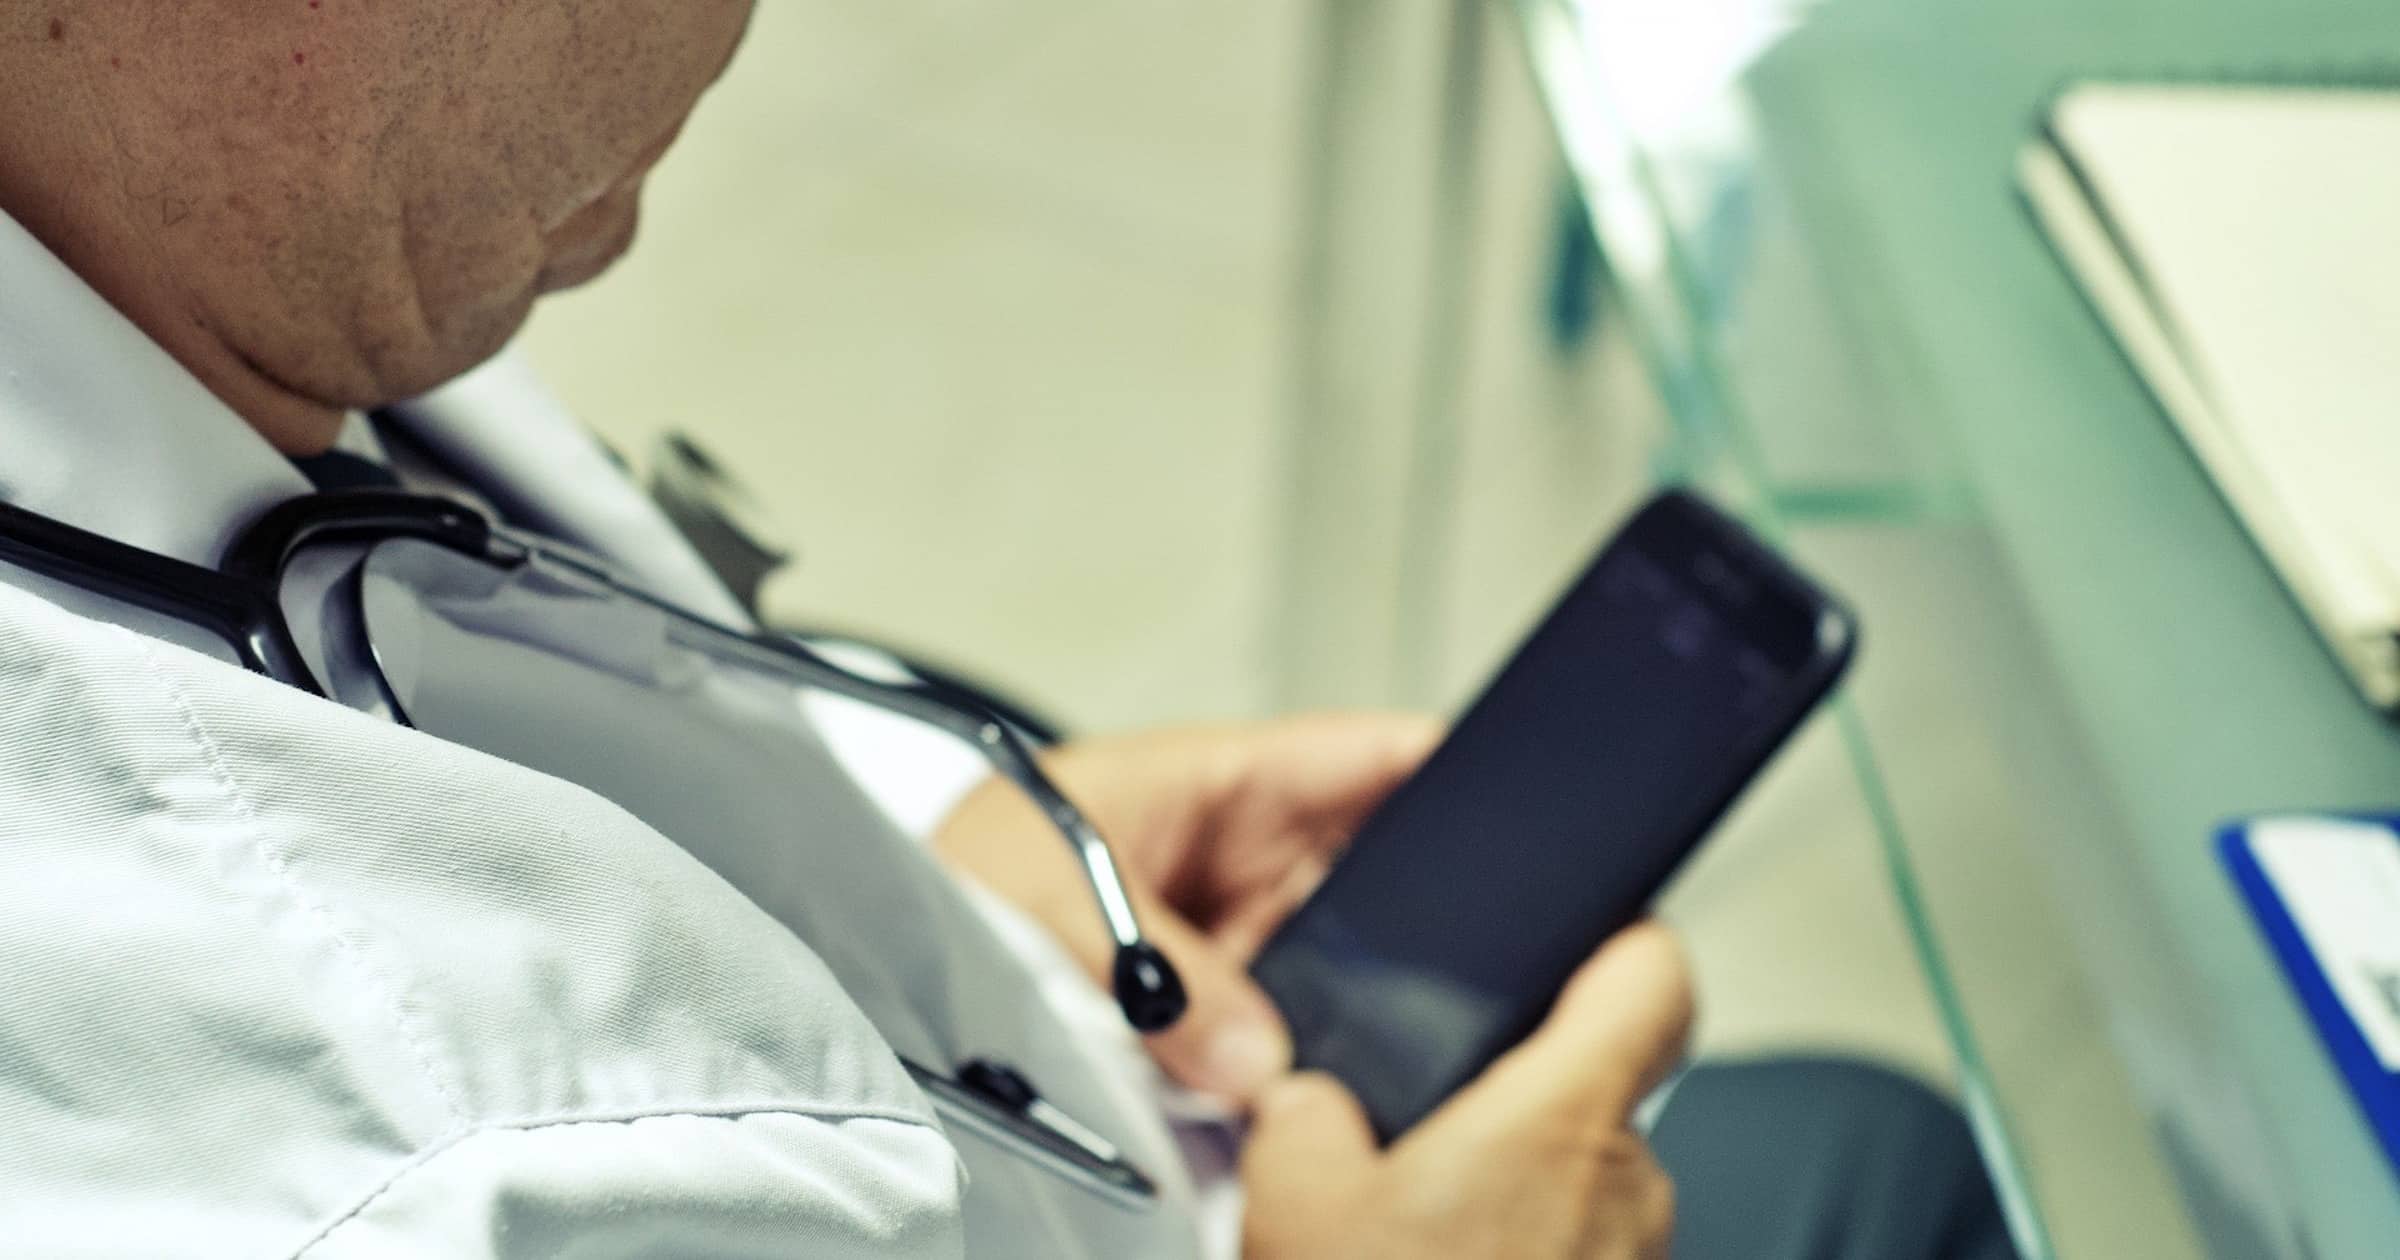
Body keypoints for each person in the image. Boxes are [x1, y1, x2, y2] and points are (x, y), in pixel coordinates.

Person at [0, 3, 2016, 1256]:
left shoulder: (180, 232)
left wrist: (905, 898)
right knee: (1879, 1164)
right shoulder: (412, 1172)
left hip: (1089, 1110)